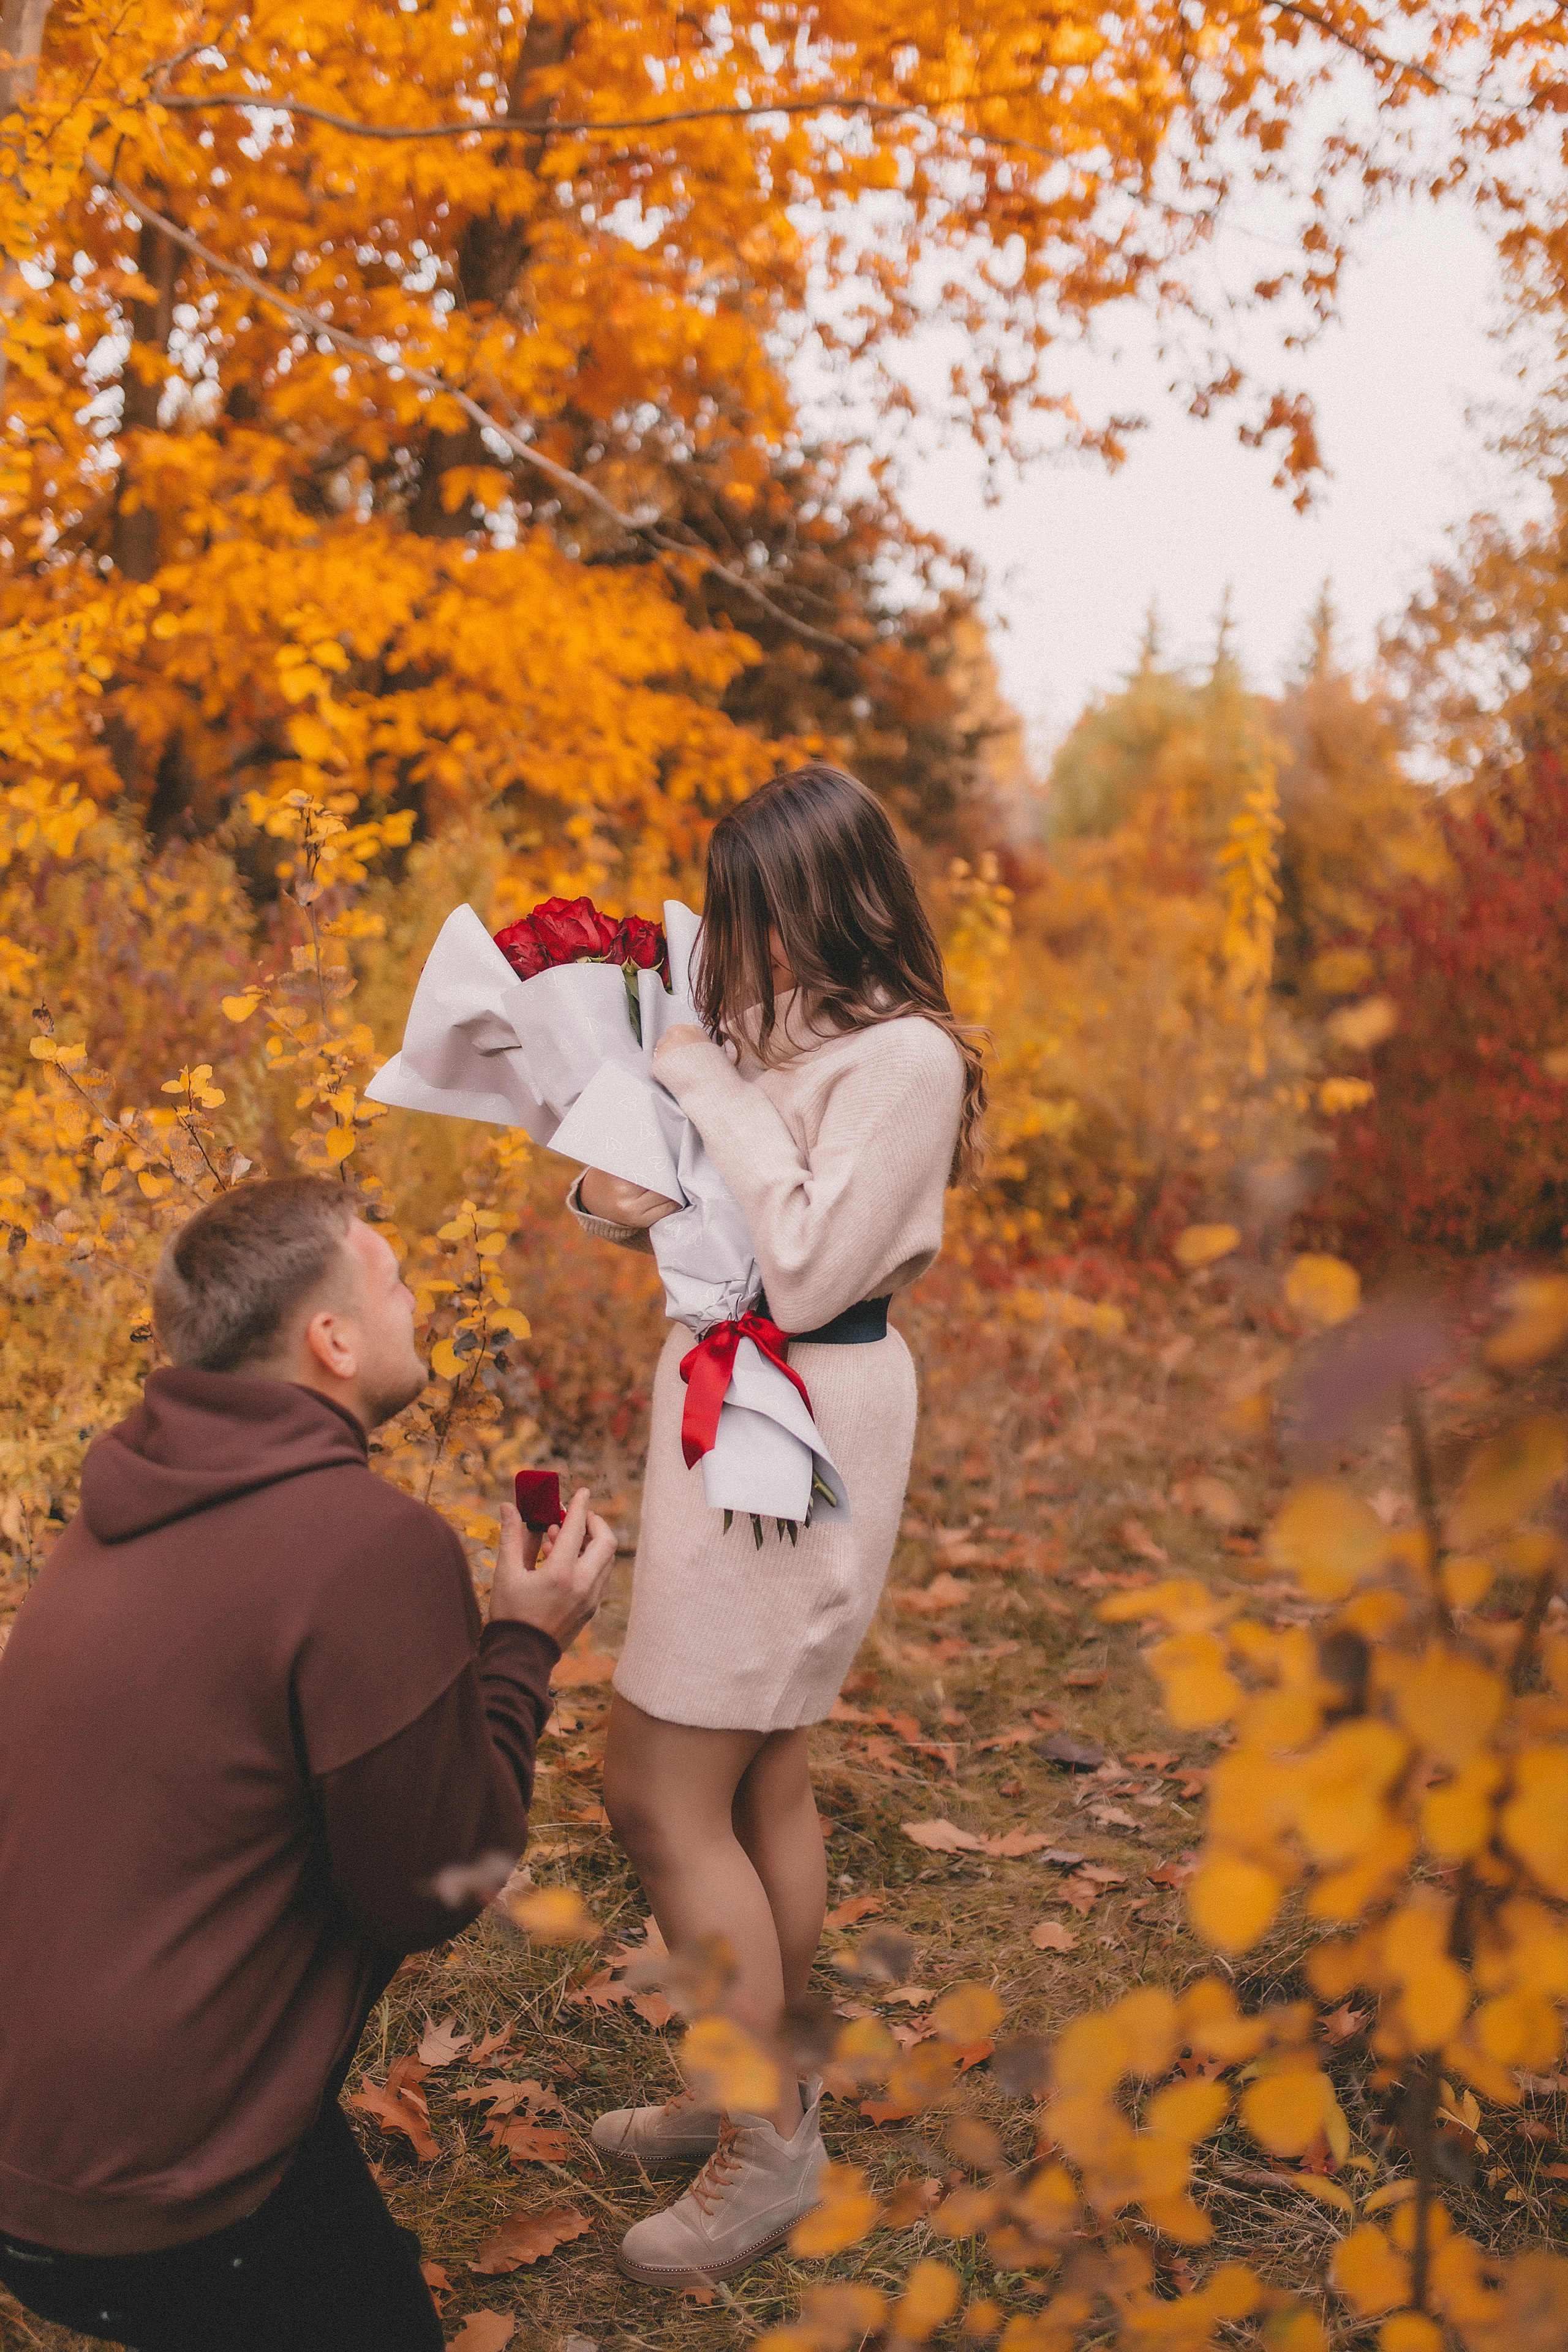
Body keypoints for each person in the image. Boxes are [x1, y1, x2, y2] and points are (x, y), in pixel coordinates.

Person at [0, 1175, 616, 2352]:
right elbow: (438, 1877)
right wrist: (525, 1645)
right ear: (331, 1339)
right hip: (160, 2202)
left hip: (33, 2145)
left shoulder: (114, 1512)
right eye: (394, 1280)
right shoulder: (368, 1547)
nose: (417, 1299)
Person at [570, 763, 981, 2287]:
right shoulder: (781, 1036)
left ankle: (771, 2150)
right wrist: (627, 1191)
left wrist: (714, 1095)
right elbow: (722, 1212)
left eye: (752, 918)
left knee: (655, 1789)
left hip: (801, 1429)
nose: (730, 955)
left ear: (827, 901)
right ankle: (743, 2090)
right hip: (733, 1415)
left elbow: (805, 1273)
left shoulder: (904, 1062)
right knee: (758, 1778)